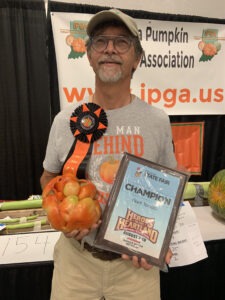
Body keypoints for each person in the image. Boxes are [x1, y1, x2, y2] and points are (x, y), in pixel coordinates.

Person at [40, 8, 177, 300]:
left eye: (122, 42)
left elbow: (169, 192)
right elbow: (48, 177)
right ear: (89, 56)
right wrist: (62, 217)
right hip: (76, 262)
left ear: (137, 58)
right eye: (100, 42)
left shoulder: (157, 121)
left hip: (135, 270)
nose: (110, 49)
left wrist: (151, 241)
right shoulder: (65, 121)